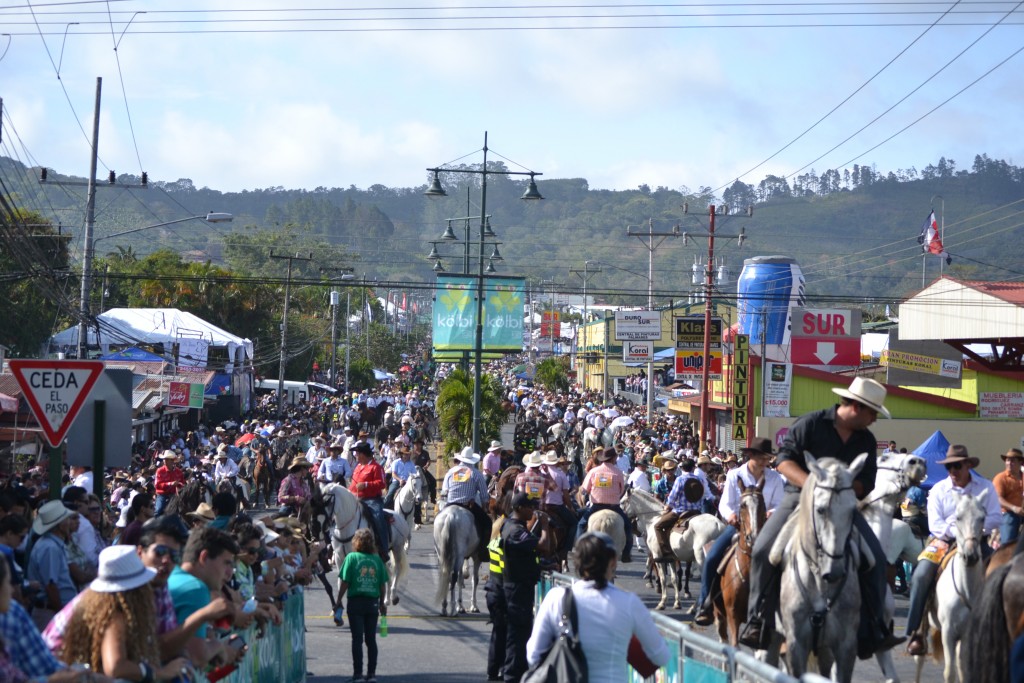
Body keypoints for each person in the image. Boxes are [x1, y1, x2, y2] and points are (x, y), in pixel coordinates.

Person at [741, 376, 904, 659]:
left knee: (876, 558)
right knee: (763, 550)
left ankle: (873, 628)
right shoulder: (811, 423)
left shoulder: (866, 440)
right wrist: (814, 486)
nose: (874, 419)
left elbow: (867, 481)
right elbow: (783, 461)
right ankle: (758, 621)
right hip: (798, 498)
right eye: (873, 412)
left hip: (842, 506)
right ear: (856, 407)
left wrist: (840, 489)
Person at [527, 531, 670, 683]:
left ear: (577, 561)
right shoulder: (629, 603)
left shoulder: (556, 598)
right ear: (613, 562)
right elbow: (661, 657)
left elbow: (533, 654)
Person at [905, 444, 1000, 655]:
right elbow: (935, 525)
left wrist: (973, 529)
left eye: (957, 466)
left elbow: (995, 517)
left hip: (977, 539)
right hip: (943, 541)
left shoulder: (985, 486)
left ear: (968, 465)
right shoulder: (939, 489)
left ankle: (998, 628)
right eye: (949, 467)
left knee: (999, 575)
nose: (953, 471)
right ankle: (916, 632)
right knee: (921, 575)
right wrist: (958, 529)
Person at [60, 545, 192, 681]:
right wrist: (160, 673)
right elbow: (115, 667)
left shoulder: (101, 605)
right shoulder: (115, 616)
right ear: (137, 590)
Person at [693, 437, 786, 626]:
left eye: (767, 458)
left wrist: (771, 512)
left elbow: (780, 503)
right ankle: (705, 604)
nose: (765, 462)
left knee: (787, 559)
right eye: (761, 457)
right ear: (751, 455)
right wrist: (731, 516)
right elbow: (725, 503)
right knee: (712, 558)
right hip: (739, 526)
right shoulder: (735, 475)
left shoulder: (775, 478)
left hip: (766, 527)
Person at [0, 557, 113, 683]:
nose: (11, 589)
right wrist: (52, 680)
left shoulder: (11, 613)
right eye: (8, 583)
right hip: (48, 611)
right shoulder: (11, 614)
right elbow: (51, 585)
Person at [501, 492, 549, 683]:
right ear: (519, 508)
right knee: (518, 635)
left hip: (520, 586)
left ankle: (517, 673)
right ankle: (512, 675)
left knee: (522, 633)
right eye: (530, 507)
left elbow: (526, 556)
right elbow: (543, 546)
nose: (533, 511)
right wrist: (545, 526)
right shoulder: (515, 530)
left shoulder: (515, 526)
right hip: (517, 588)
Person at [338, 528, 389, 683]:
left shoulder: (351, 558)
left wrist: (338, 600)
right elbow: (382, 585)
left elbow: (345, 582)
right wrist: (382, 602)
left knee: (357, 639)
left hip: (355, 602)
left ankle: (358, 674)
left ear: (356, 542)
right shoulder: (377, 560)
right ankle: (371, 674)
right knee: (371, 639)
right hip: (372, 603)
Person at [575, 447, 632, 563]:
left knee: (581, 525)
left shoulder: (593, 472)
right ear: (613, 458)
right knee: (628, 527)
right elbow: (621, 491)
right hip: (614, 507)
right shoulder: (618, 472)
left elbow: (585, 489)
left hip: (596, 507)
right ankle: (626, 553)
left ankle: (579, 549)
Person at [27, 500, 78, 627]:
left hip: (52, 611)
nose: (70, 522)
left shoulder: (52, 545)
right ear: (60, 525)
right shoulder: (50, 548)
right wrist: (61, 614)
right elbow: (51, 586)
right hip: (50, 613)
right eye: (67, 519)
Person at [440, 447, 491, 563]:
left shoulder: (451, 472)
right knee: (487, 523)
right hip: (468, 505)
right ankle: (482, 551)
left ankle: (438, 547)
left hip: (450, 504)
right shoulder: (476, 474)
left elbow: (444, 491)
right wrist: (484, 507)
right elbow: (484, 496)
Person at [652, 459, 705, 560]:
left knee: (658, 526)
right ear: (693, 468)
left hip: (681, 511)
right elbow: (702, 495)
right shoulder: (699, 479)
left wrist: (668, 506)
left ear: (682, 468)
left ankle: (666, 552)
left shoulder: (680, 479)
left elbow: (673, 496)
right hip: (697, 511)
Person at [350, 442, 390, 561]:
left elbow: (382, 484)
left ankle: (383, 549)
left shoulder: (376, 467)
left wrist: (366, 484)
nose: (356, 455)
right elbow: (353, 485)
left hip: (371, 500)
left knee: (378, 517)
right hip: (355, 498)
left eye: (357, 453)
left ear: (363, 454)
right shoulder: (358, 467)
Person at [994, 448, 1024, 546]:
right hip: (1008, 513)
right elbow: (998, 498)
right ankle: (1006, 551)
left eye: (1013, 460)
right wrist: (1014, 508)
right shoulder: (1000, 478)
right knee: (1008, 541)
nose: (1009, 463)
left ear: (1020, 462)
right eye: (1007, 460)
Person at [153, 452, 185, 516]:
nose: (164, 460)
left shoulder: (178, 471)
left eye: (167, 459)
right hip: (162, 494)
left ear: (172, 461)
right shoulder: (160, 471)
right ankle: (155, 521)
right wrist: (170, 484)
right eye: (164, 459)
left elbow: (182, 483)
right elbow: (157, 485)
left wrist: (179, 484)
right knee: (158, 510)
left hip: (174, 494)